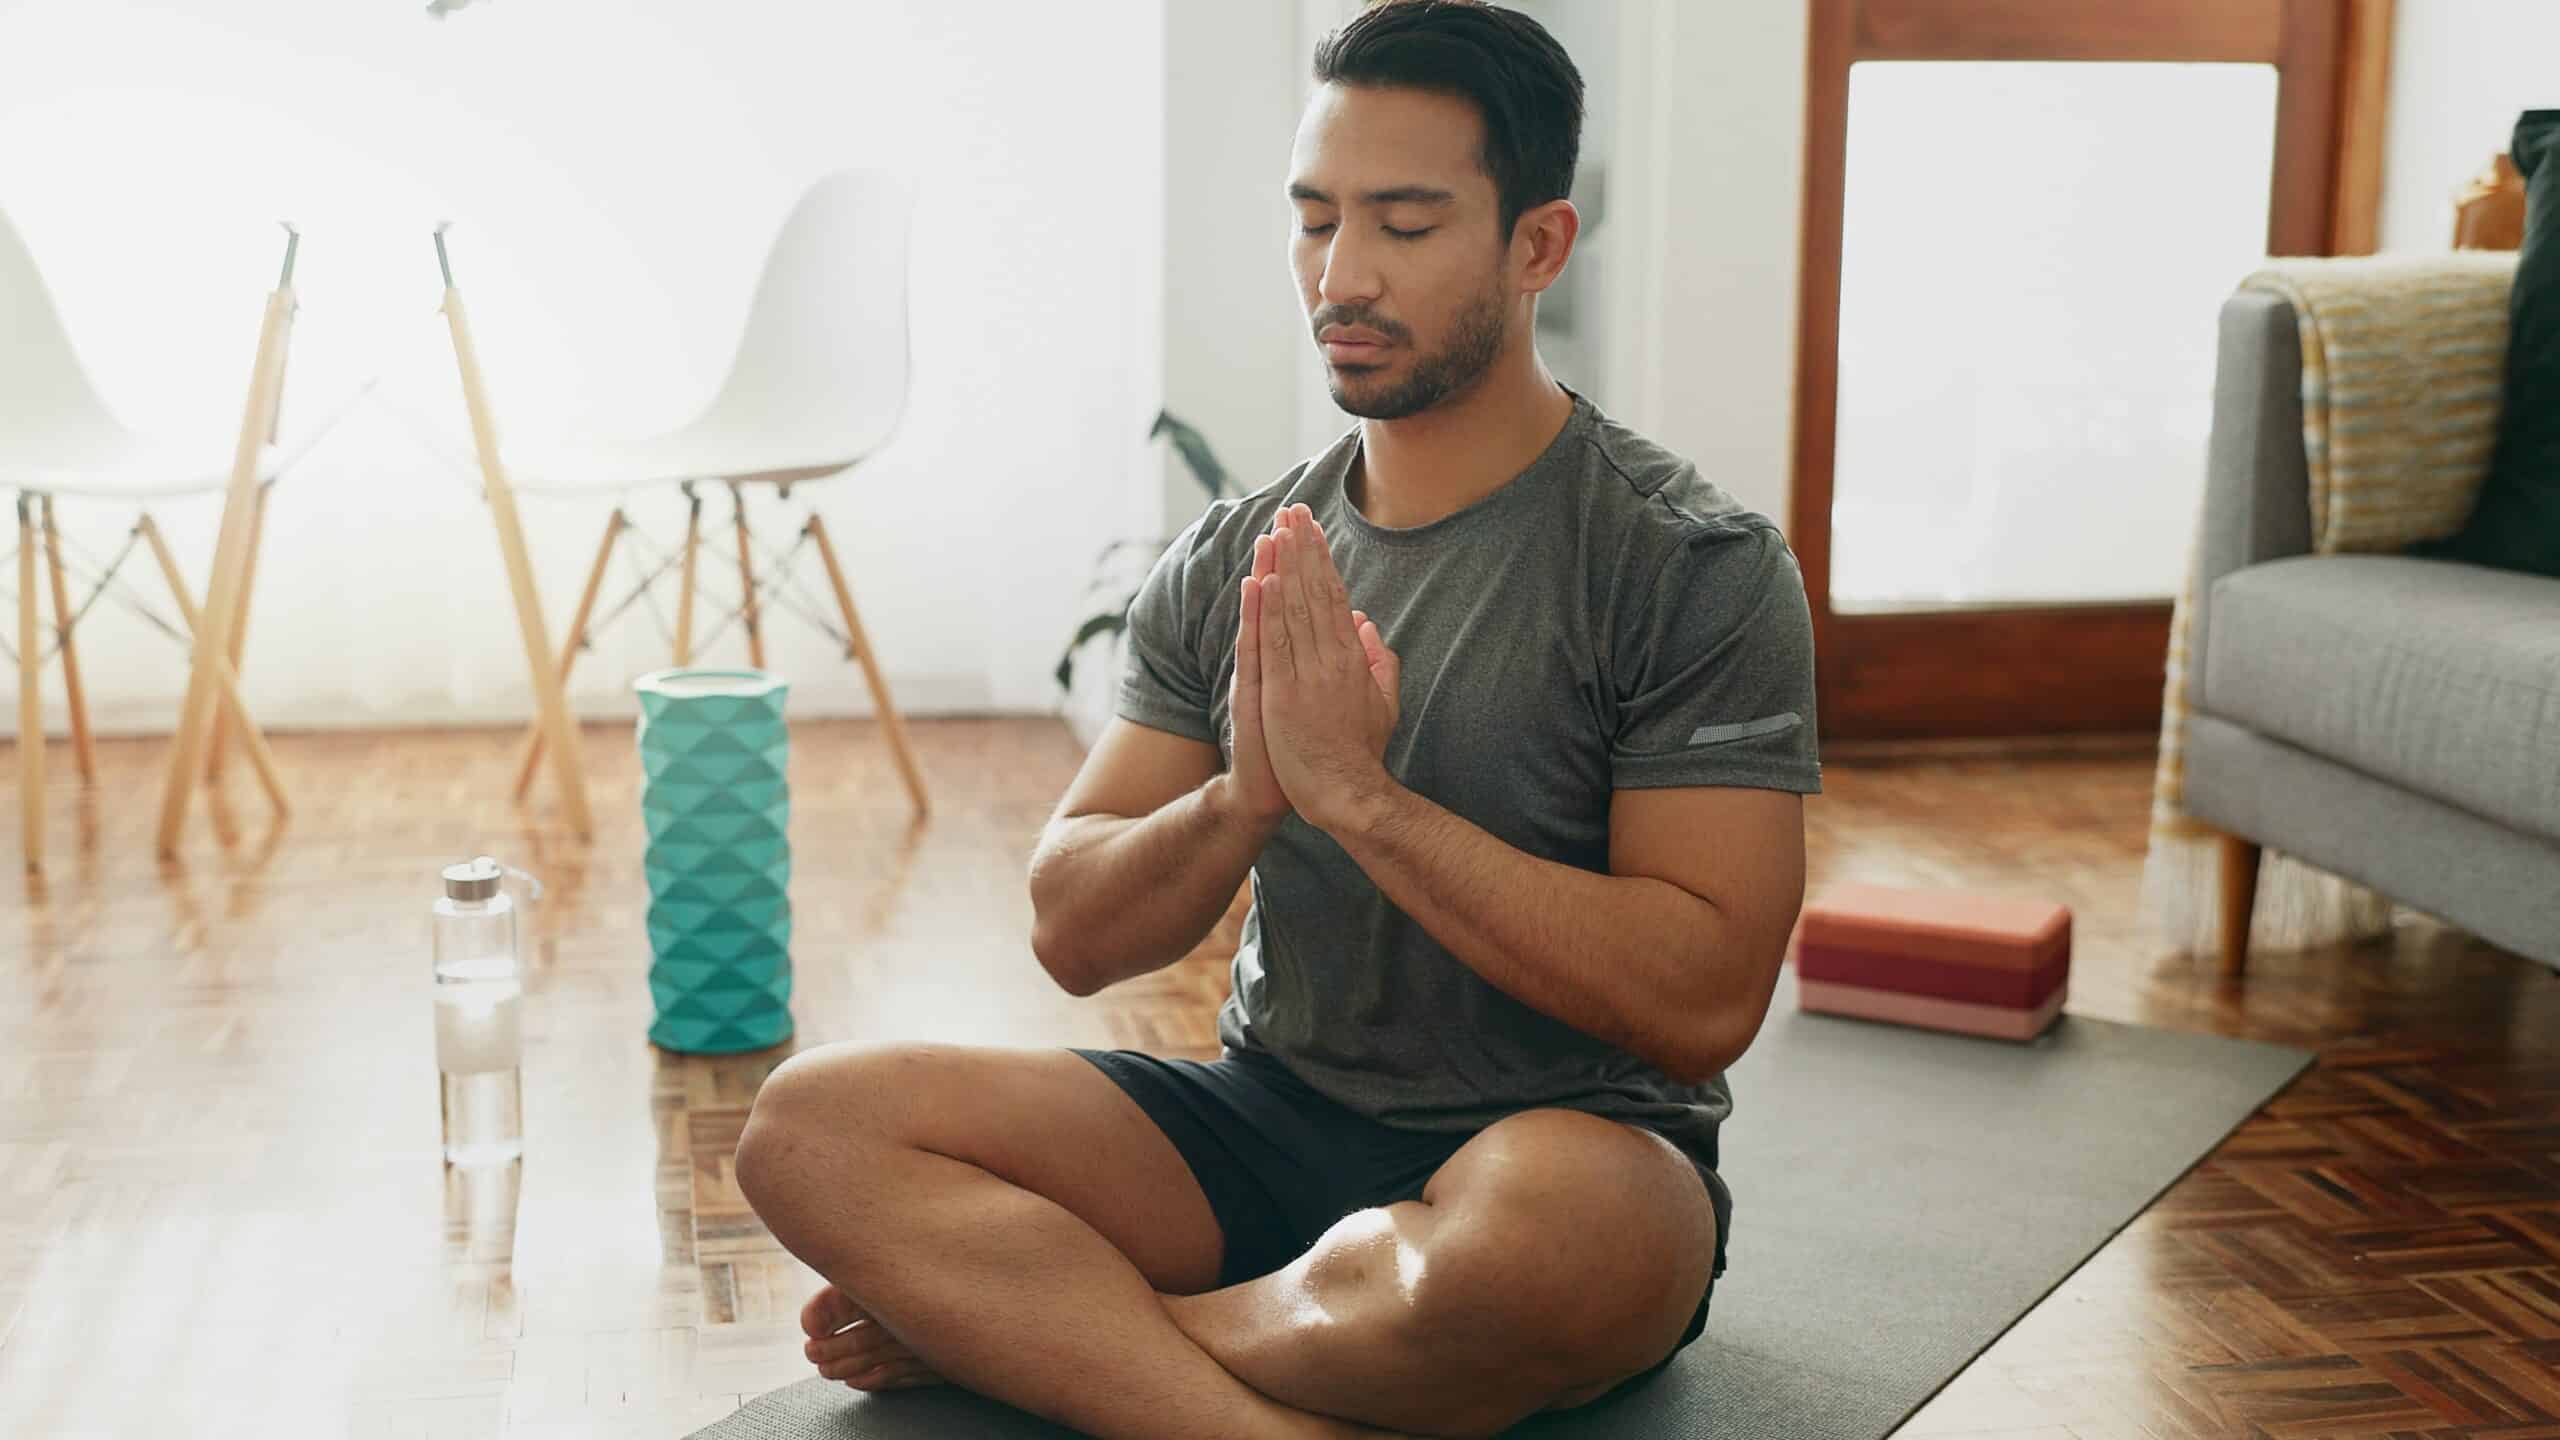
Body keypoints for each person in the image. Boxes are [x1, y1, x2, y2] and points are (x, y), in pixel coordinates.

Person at [734, 4, 1821, 1436]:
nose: (1343, 275)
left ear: (1537, 246)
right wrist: (1245, 798)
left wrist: (1364, 802)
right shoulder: (1245, 552)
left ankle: (1070, 1335)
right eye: (1314, 222)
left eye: (1407, 225)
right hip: (1263, 1127)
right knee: (811, 1125)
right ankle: (1233, 1409)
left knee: (1545, 1247)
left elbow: (1704, 1001)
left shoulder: (1686, 562)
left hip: (1566, 1153)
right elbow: (1074, 932)